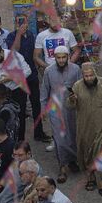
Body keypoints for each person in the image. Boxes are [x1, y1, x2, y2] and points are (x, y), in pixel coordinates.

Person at [69, 63, 102, 197]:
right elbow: (70, 105)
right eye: (86, 76)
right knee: (86, 152)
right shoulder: (77, 86)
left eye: (91, 75)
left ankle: (101, 184)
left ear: (95, 73)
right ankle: (90, 177)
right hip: (85, 127)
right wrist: (73, 100)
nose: (89, 78)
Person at [40, 45, 81, 176]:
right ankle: (62, 166)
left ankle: (73, 161)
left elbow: (80, 88)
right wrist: (43, 110)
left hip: (72, 109)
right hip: (55, 110)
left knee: (73, 136)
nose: (62, 60)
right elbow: (44, 91)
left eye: (64, 57)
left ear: (68, 57)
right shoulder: (48, 71)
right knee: (60, 138)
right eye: (59, 58)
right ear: (54, 58)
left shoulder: (75, 69)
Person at [6, 15, 44, 141]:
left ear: (28, 23)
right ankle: (20, 137)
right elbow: (14, 51)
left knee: (36, 105)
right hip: (19, 77)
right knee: (20, 108)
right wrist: (19, 34)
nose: (22, 24)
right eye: (19, 22)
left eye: (24, 22)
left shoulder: (32, 35)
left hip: (32, 74)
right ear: (16, 24)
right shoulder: (11, 36)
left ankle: (39, 133)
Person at [0, 43, 31, 136]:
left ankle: (19, 139)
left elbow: (28, 71)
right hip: (1, 93)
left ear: (1, 52)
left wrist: (10, 77)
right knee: (2, 116)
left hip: (17, 90)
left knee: (19, 116)